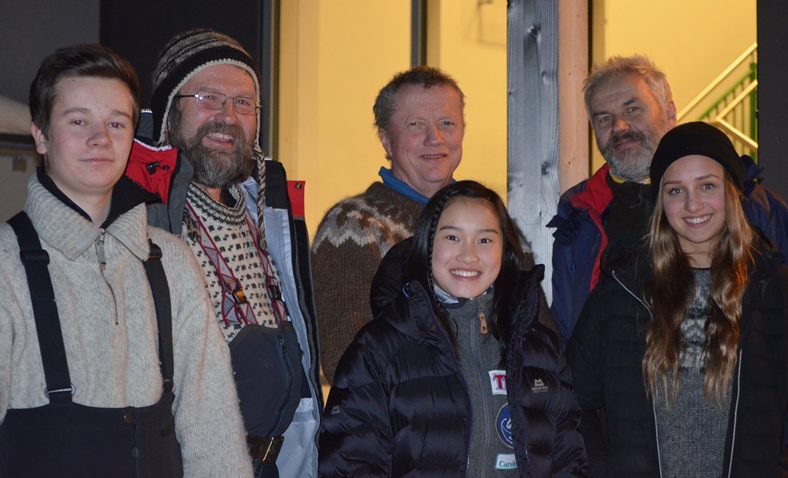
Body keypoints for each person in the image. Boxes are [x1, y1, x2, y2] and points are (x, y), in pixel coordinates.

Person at [0, 44, 251, 476]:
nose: (100, 138)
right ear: (40, 135)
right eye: (79, 121)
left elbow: (214, 438)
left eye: (116, 123)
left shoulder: (172, 263)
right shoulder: (6, 267)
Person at [125, 29, 320, 478]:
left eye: (243, 103)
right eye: (209, 98)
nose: (228, 117)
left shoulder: (270, 212)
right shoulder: (137, 214)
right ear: (169, 113)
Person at [318, 180, 587, 477]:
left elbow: (568, 459)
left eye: (485, 240)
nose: (468, 256)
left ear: (506, 251)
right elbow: (350, 464)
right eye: (452, 237)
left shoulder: (540, 349)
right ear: (426, 245)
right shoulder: (379, 349)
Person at [566, 122, 788, 477]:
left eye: (707, 185)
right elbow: (571, 399)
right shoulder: (621, 288)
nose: (692, 204)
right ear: (661, 201)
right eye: (675, 190)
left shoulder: (773, 289)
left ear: (732, 192)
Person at [549, 54, 788, 346]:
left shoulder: (756, 206)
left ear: (670, 112)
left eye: (633, 109)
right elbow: (568, 330)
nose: (619, 126)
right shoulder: (578, 217)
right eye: (604, 118)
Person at [311, 66, 466, 384]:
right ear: (386, 140)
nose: (434, 138)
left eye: (446, 123)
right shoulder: (353, 228)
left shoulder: (491, 226)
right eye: (415, 125)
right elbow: (347, 361)